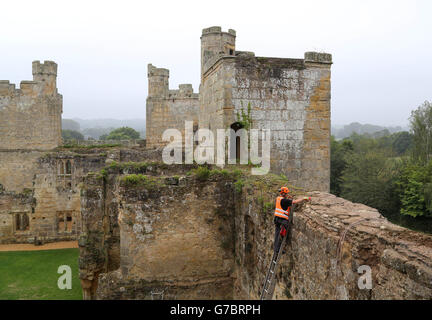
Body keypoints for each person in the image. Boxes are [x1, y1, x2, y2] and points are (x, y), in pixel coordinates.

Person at [273, 187, 310, 254]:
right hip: (282, 220)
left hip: (276, 219)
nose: (287, 194)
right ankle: (282, 235)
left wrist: (288, 198)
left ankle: (276, 249)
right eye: (286, 193)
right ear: (284, 193)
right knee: (284, 229)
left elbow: (284, 203)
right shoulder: (285, 201)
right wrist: (303, 198)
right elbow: (294, 202)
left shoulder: (278, 198)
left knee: (276, 234)